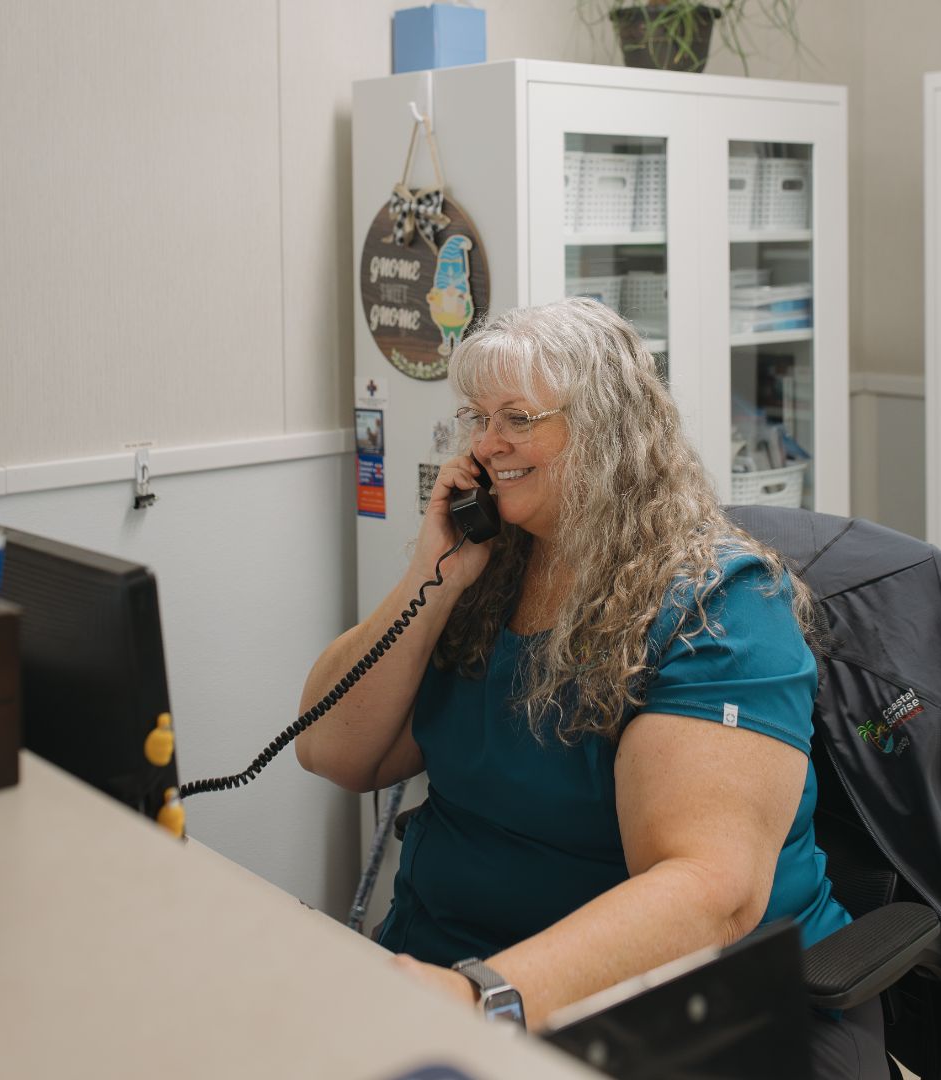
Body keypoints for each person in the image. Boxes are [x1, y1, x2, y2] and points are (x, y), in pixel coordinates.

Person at [295, 298, 888, 1078]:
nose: (485, 444)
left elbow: (710, 891)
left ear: (606, 430)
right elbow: (333, 749)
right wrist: (431, 574)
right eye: (477, 416)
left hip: (657, 1014)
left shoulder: (720, 605)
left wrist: (483, 998)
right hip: (443, 980)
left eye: (517, 417)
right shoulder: (490, 568)